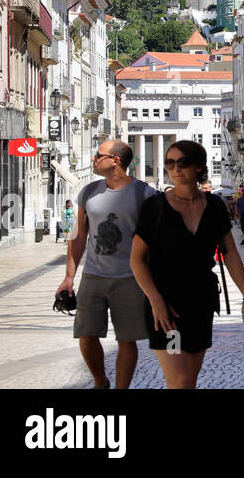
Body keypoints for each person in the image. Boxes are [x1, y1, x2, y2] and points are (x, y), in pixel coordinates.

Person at [130, 140, 244, 389]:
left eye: (183, 162)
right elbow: (136, 259)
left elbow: (230, 253)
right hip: (167, 310)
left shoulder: (214, 207)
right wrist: (155, 300)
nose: (175, 168)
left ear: (199, 167)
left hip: (200, 302)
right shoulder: (154, 207)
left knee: (189, 379)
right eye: (170, 163)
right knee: (180, 379)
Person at [55, 140, 156, 390]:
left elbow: (156, 240)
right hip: (93, 275)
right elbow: (78, 237)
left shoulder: (145, 194)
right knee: (86, 335)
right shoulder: (88, 192)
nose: (93, 159)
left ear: (116, 161)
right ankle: (100, 381)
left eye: (98, 155)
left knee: (126, 339)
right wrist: (69, 277)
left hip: (130, 278)